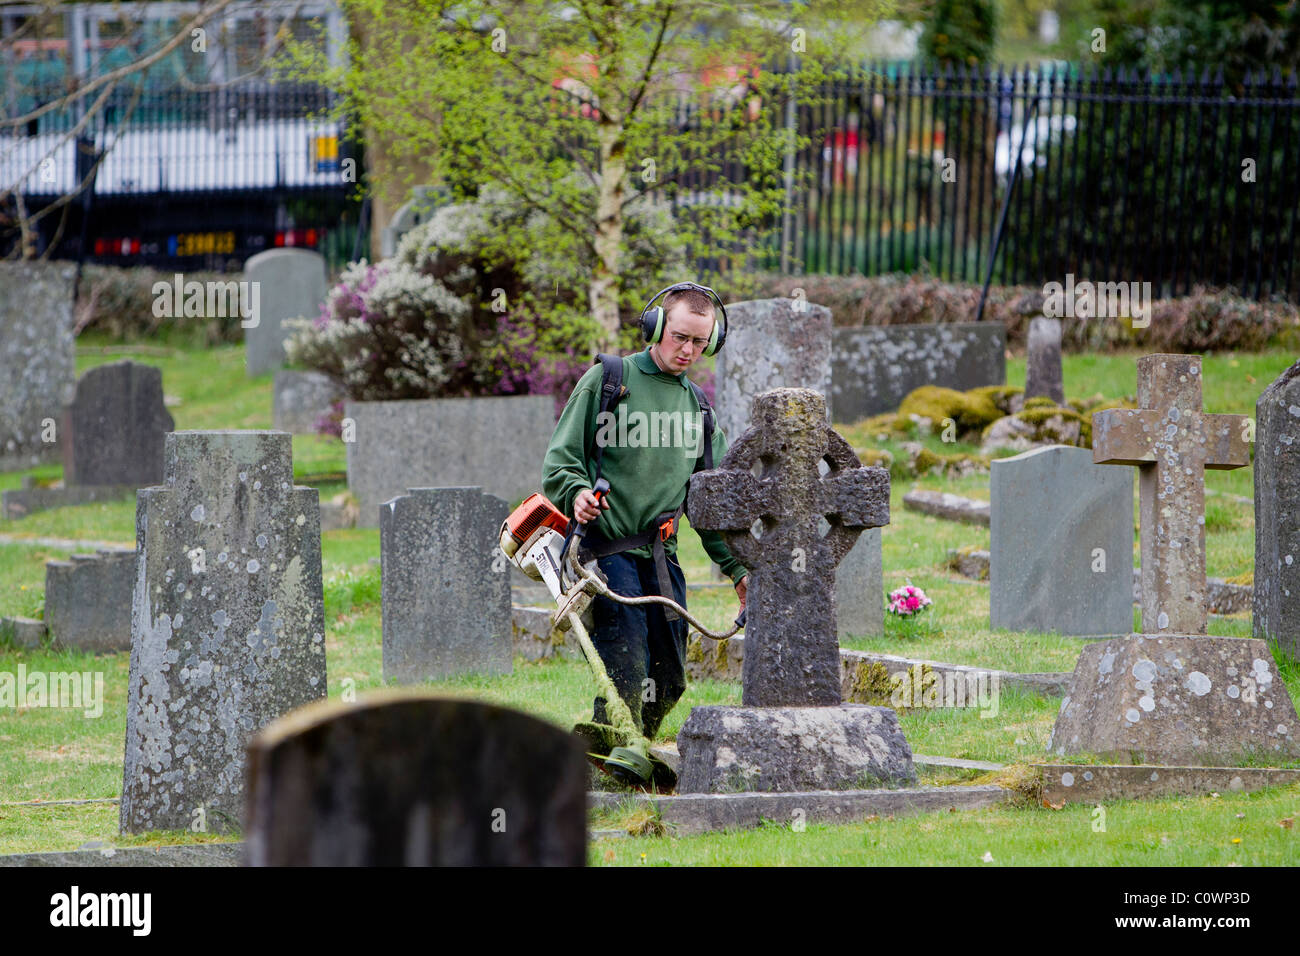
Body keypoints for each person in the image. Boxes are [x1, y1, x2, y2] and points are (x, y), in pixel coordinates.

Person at [541, 282, 749, 740]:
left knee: (670, 678)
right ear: (655, 327)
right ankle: (611, 758)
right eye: (679, 336)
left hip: (661, 556)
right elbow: (560, 461)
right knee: (626, 663)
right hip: (604, 550)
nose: (688, 349)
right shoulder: (608, 380)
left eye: (699, 341)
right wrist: (576, 492)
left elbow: (708, 502)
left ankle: (633, 747)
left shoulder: (698, 408)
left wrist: (737, 570)